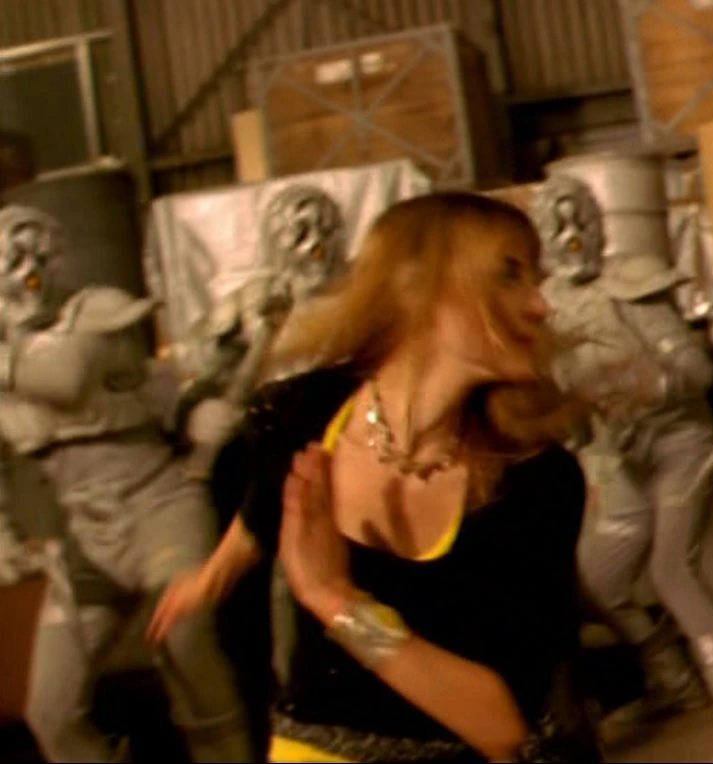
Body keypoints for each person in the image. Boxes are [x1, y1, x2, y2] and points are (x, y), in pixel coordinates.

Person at [148, 192, 600, 763]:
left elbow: (503, 725)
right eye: (509, 275)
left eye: (536, 279)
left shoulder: (538, 482)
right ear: (414, 286)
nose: (539, 305)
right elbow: (266, 511)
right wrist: (214, 574)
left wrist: (337, 602)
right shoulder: (299, 413)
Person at [530, 162, 713, 763]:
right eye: (556, 225)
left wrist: (648, 383)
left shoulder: (630, 285)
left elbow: (696, 370)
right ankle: (675, 680)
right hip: (616, 460)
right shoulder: (544, 309)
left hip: (677, 443)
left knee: (673, 574)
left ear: (596, 223)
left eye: (578, 220)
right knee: (596, 582)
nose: (570, 235)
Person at [0, 205, 254, 762]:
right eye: (11, 259)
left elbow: (66, 378)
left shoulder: (95, 314)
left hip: (159, 510)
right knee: (50, 711)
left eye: (35, 254)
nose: (26, 272)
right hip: (89, 536)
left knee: (187, 651)